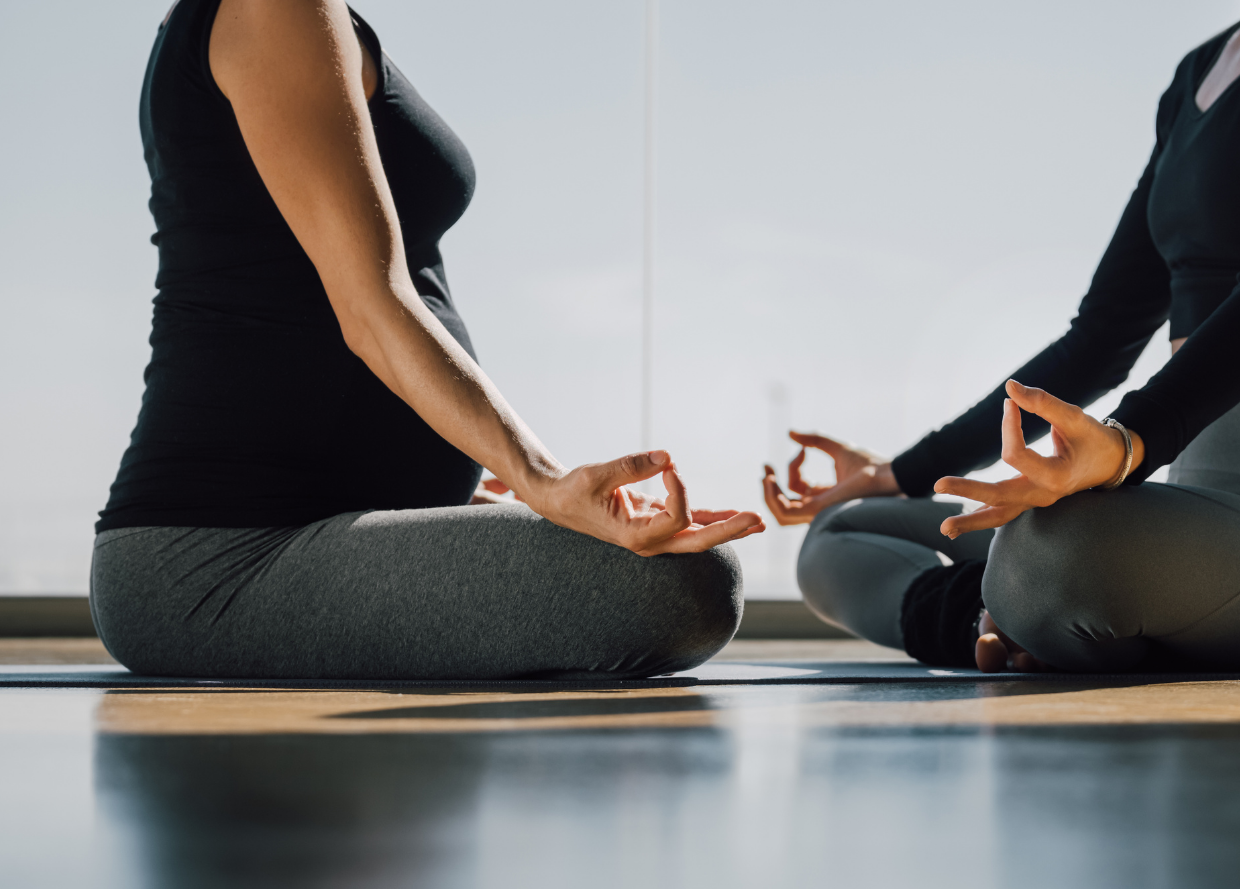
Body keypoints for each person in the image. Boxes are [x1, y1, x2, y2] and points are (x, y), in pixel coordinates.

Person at [764, 0, 1240, 674]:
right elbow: (1101, 337)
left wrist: (1126, 444)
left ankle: (1027, 606)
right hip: (1197, 517)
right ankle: (989, 619)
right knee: (844, 529)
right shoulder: (1197, 74)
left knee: (1052, 553)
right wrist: (894, 475)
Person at [90, 0, 763, 680]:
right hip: (215, 559)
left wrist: (463, 493)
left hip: (312, 527)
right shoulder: (276, 9)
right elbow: (370, 307)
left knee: (674, 565)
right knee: (684, 587)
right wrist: (543, 482)